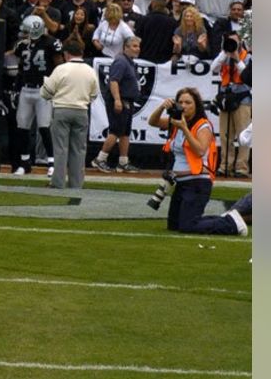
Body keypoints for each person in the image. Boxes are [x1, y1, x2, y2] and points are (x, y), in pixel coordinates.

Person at [147, 87, 246, 235]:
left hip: (197, 182)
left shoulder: (202, 125)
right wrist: (162, 106)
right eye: (180, 102)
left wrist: (185, 129)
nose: (184, 106)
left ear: (196, 105)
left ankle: (231, 224)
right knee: (174, 225)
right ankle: (228, 217)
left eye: (188, 102)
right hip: (181, 183)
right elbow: (152, 122)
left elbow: (200, 151)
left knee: (188, 226)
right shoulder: (176, 121)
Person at [40, 39, 99, 190]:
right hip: (81, 111)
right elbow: (94, 94)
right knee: (79, 150)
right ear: (82, 53)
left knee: (60, 149)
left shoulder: (61, 69)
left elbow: (46, 92)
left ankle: (58, 182)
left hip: (62, 109)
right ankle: (76, 184)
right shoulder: (90, 70)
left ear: (66, 54)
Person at [11, 15, 63, 176]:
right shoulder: (22, 46)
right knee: (22, 128)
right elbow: (21, 69)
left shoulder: (50, 43)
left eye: (27, 31)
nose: (24, 34)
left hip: (43, 89)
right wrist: (16, 88)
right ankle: (24, 162)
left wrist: (55, 88)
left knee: (44, 127)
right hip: (26, 89)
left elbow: (59, 66)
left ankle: (52, 163)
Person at [94, 36, 143, 173]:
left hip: (128, 101)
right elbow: (114, 81)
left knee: (125, 133)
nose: (137, 49)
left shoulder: (129, 62)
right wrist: (117, 100)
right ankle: (100, 159)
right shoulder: (121, 61)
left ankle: (123, 162)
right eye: (134, 46)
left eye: (138, 46)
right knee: (115, 131)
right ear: (125, 47)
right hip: (121, 100)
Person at [212, 34, 252, 177]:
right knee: (225, 135)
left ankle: (242, 167)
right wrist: (224, 53)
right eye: (230, 41)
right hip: (226, 98)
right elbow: (214, 68)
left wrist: (236, 57)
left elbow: (247, 75)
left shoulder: (247, 57)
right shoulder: (223, 55)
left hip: (243, 98)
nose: (232, 44)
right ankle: (225, 165)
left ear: (240, 42)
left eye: (235, 41)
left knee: (243, 134)